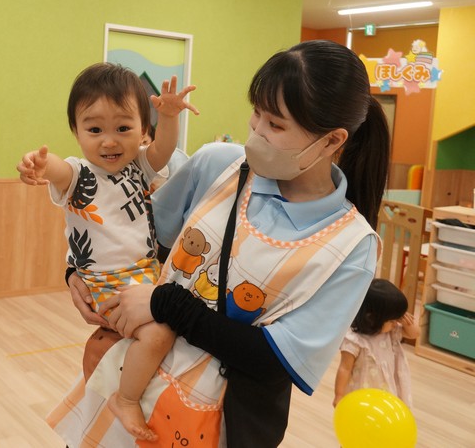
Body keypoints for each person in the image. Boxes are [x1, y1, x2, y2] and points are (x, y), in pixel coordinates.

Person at [46, 40, 391, 447]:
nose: (257, 132)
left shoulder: (352, 246)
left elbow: (274, 360)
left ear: (332, 140)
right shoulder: (218, 164)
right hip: (125, 384)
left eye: (276, 125)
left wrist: (165, 303)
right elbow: (132, 230)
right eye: (257, 114)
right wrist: (75, 272)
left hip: (212, 423)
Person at [17, 62, 199, 441]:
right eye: (95, 129)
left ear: (143, 130)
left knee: (170, 332)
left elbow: (164, 149)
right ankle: (125, 399)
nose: (109, 141)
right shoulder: (79, 175)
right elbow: (58, 169)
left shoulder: (138, 167)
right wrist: (40, 163)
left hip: (147, 275)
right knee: (158, 334)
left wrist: (168, 116)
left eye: (123, 128)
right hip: (107, 284)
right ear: (77, 131)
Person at [333, 278, 419, 409]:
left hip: (387, 392)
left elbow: (414, 334)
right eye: (392, 320)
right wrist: (339, 395)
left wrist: (406, 321)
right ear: (371, 318)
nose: (396, 323)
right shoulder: (354, 340)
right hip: (361, 393)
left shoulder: (390, 332)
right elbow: (345, 368)